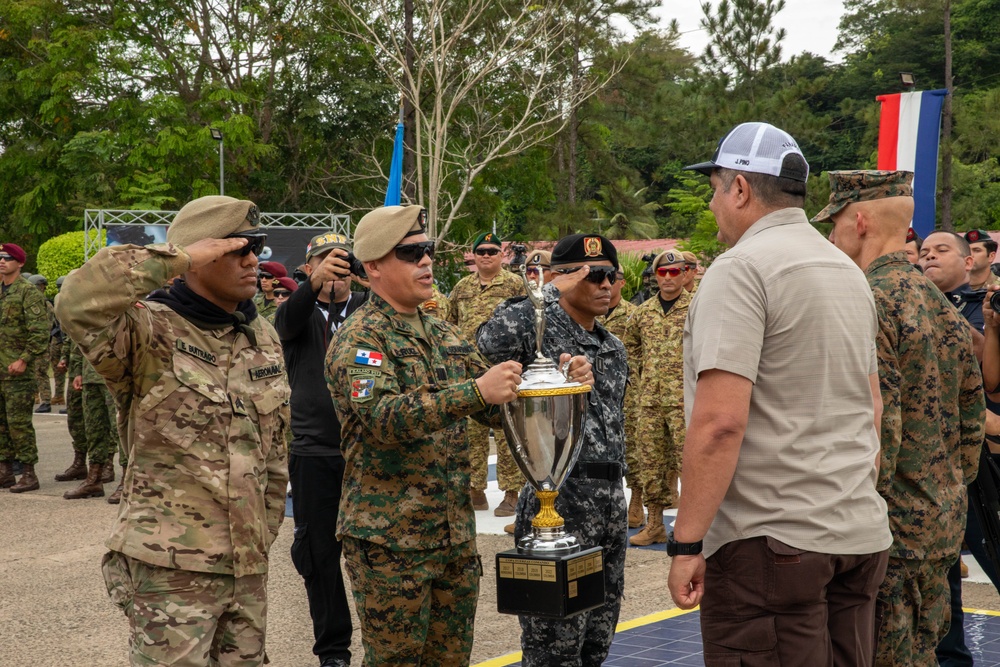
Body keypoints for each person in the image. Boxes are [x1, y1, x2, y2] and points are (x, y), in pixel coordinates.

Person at [668, 122, 892, 665]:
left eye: (715, 186)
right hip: (855, 534)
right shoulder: (846, 270)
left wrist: (687, 543)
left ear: (740, 189)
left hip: (771, 546)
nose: (714, 201)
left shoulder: (741, 269)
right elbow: (873, 407)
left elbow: (721, 422)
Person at [55, 195, 290, 666]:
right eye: (238, 249)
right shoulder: (148, 330)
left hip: (246, 565)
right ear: (198, 258)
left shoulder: (259, 333)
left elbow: (274, 451)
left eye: (257, 247)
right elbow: (77, 302)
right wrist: (178, 256)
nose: (253, 260)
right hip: (171, 567)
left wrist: (262, 534)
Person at [324, 204, 533, 666]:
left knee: (451, 661)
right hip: (391, 540)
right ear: (374, 267)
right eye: (411, 252)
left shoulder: (442, 331)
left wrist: (550, 381)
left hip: (453, 536)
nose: (427, 261)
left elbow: (498, 407)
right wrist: (477, 391)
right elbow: (383, 418)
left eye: (429, 250)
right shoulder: (362, 337)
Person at [819, 169, 986, 666]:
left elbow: (879, 428)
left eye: (836, 223)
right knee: (923, 653)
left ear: (861, 220)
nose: (832, 235)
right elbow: (972, 417)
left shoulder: (869, 299)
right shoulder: (942, 305)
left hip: (886, 529)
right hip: (940, 519)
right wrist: (948, 490)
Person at [478, 233, 625, 667]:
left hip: (609, 503)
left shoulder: (612, 347)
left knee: (597, 642)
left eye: (611, 275)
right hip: (558, 501)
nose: (604, 285)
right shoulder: (535, 329)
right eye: (593, 275)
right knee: (553, 650)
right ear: (561, 278)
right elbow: (486, 344)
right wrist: (547, 291)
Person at [274, 231, 366, 667]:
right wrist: (312, 289)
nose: (335, 268)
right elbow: (287, 320)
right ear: (307, 269)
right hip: (315, 452)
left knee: (378, 551)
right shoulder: (297, 314)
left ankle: (390, 641)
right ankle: (333, 650)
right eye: (324, 261)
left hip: (368, 451)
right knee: (320, 555)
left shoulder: (371, 313)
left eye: (342, 260)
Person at [446, 231, 525, 514]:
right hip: (470, 372)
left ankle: (512, 493)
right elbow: (449, 324)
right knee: (471, 432)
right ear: (474, 255)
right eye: (481, 251)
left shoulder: (516, 285)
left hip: (505, 370)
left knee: (509, 432)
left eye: (492, 251)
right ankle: (475, 490)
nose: (487, 256)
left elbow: (530, 323)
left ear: (502, 255)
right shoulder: (461, 287)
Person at [623, 250, 692, 545]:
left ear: (686, 273)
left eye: (674, 272)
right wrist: (644, 374)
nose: (667, 278)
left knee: (690, 462)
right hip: (649, 401)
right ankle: (654, 524)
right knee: (651, 462)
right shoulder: (644, 312)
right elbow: (630, 345)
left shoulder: (697, 308)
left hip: (685, 400)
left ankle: (694, 526)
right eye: (662, 273)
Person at [0, 242, 49, 493]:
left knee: (19, 425)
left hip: (17, 372)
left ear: (20, 263)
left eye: (7, 257)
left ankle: (28, 473)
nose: (2, 261)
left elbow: (40, 332)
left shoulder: (28, 292)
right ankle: (5, 471)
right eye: (0, 257)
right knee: (1, 425)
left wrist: (24, 359)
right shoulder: (1, 291)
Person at [598, 266, 642, 528]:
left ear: (622, 283)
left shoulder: (633, 315)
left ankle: (637, 501)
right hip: (595, 392)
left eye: (612, 279)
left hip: (628, 392)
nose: (606, 285)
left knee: (634, 449)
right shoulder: (588, 314)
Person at [61, 343, 120, 499]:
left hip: (116, 374)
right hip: (90, 375)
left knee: (119, 430)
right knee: (94, 430)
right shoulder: (88, 317)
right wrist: (77, 372)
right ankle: (94, 480)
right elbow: (80, 341)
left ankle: (128, 483)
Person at [28, 274, 62, 413]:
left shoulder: (43, 304)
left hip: (41, 344)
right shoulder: (35, 302)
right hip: (35, 343)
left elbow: (46, 326)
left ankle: (46, 401)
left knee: (41, 372)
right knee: (36, 372)